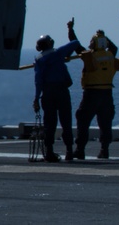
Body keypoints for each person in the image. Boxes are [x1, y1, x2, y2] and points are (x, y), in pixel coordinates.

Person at [70, 26, 119, 159]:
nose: (90, 44)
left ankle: (80, 149)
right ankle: (105, 150)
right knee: (105, 123)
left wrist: (71, 30)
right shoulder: (110, 55)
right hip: (107, 93)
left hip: (91, 93)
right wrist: (103, 37)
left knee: (83, 120)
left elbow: (76, 46)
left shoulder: (89, 56)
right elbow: (114, 48)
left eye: (92, 41)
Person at [33, 24, 81, 162]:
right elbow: (75, 43)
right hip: (61, 91)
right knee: (66, 121)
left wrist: (36, 99)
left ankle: (49, 152)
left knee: (49, 123)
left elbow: (38, 82)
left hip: (47, 93)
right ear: (50, 43)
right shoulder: (58, 53)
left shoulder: (39, 60)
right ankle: (69, 151)